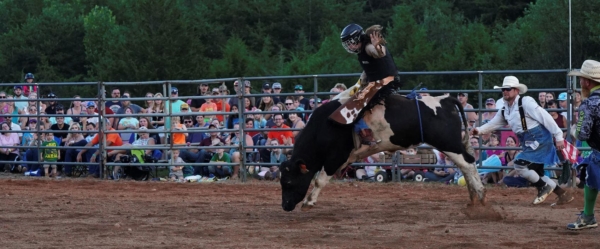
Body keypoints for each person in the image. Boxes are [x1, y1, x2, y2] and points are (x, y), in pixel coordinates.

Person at [471, 76, 572, 205]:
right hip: (529, 141)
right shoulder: (505, 110)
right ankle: (562, 194)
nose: (505, 91)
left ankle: (543, 187)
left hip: (539, 138)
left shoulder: (526, 102)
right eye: (503, 89)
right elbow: (493, 124)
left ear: (516, 91)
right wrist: (478, 131)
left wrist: (558, 135)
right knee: (535, 172)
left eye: (508, 89)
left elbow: (545, 117)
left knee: (519, 164)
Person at [330, 23, 401, 156]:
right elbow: (368, 68)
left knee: (354, 106)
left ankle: (367, 139)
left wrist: (377, 47)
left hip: (385, 83)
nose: (349, 46)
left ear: (357, 39)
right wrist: (361, 83)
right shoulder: (362, 50)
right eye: (347, 44)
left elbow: (378, 54)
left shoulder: (368, 47)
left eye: (350, 43)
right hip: (378, 82)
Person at [566, 59, 600, 230]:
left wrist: (573, 131)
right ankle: (588, 216)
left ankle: (588, 216)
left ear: (587, 81)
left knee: (592, 177)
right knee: (591, 178)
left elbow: (583, 134)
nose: (580, 82)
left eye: (581, 79)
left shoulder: (589, 104)